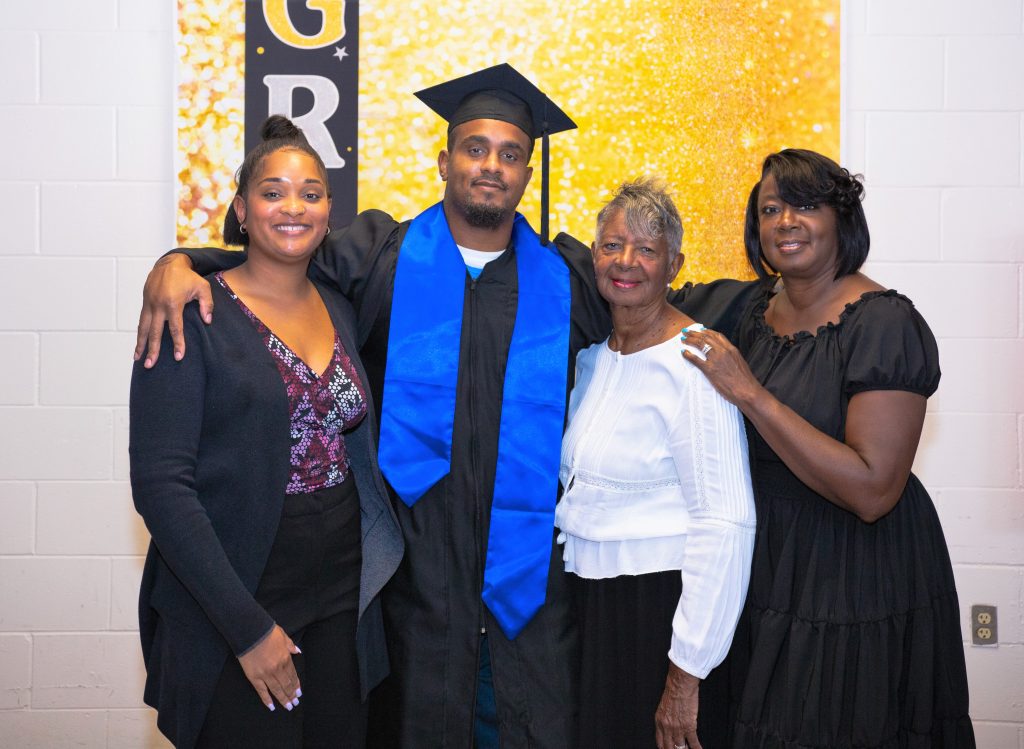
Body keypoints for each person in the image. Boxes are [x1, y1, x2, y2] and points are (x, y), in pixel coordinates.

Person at [133, 65, 759, 747]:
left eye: (510, 153)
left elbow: (660, 294)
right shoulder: (378, 257)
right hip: (411, 592)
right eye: (475, 148)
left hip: (534, 596)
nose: (491, 166)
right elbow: (276, 256)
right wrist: (182, 260)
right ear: (444, 160)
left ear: (526, 173)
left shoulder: (568, 277)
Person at [681, 149, 975, 747]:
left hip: (853, 571)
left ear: (842, 220)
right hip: (769, 565)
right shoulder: (751, 311)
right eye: (770, 209)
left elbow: (873, 489)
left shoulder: (885, 322)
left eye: (806, 205)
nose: (785, 221)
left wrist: (753, 395)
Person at [129, 116, 402, 749]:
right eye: (273, 191)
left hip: (341, 590)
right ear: (241, 209)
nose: (293, 206)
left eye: (311, 192)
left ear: (330, 211)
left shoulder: (338, 304)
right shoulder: (192, 311)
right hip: (236, 587)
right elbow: (162, 487)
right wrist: (247, 629)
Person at [556, 178, 756, 749]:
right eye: (612, 245)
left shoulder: (695, 363)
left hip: (660, 616)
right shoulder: (594, 359)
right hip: (590, 607)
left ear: (675, 263)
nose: (626, 262)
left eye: (647, 249)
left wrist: (685, 674)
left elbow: (726, 524)